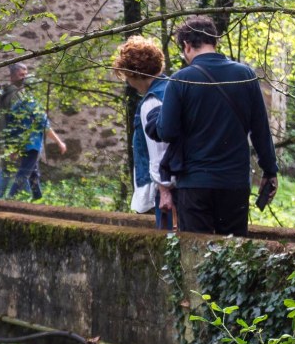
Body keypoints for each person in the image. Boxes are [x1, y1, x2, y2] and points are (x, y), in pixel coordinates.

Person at [152, 16, 278, 236]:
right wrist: (270, 170)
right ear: (214, 41)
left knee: (196, 249)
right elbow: (260, 129)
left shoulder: (180, 80)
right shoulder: (245, 75)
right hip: (234, 182)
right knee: (233, 250)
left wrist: (157, 117)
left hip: (195, 182)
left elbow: (167, 132)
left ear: (186, 45)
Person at [111, 35, 172, 229]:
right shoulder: (173, 88)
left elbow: (158, 152)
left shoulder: (152, 101)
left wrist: (161, 191)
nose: (128, 83)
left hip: (162, 190)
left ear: (135, 74)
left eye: (127, 77)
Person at [0, 62, 67, 200]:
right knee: (18, 171)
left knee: (32, 171)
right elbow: (42, 125)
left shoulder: (19, 97)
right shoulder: (19, 97)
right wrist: (59, 142)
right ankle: (5, 198)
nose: (24, 78)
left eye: (26, 75)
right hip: (26, 142)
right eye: (21, 75)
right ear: (12, 76)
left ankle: (36, 197)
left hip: (20, 141)